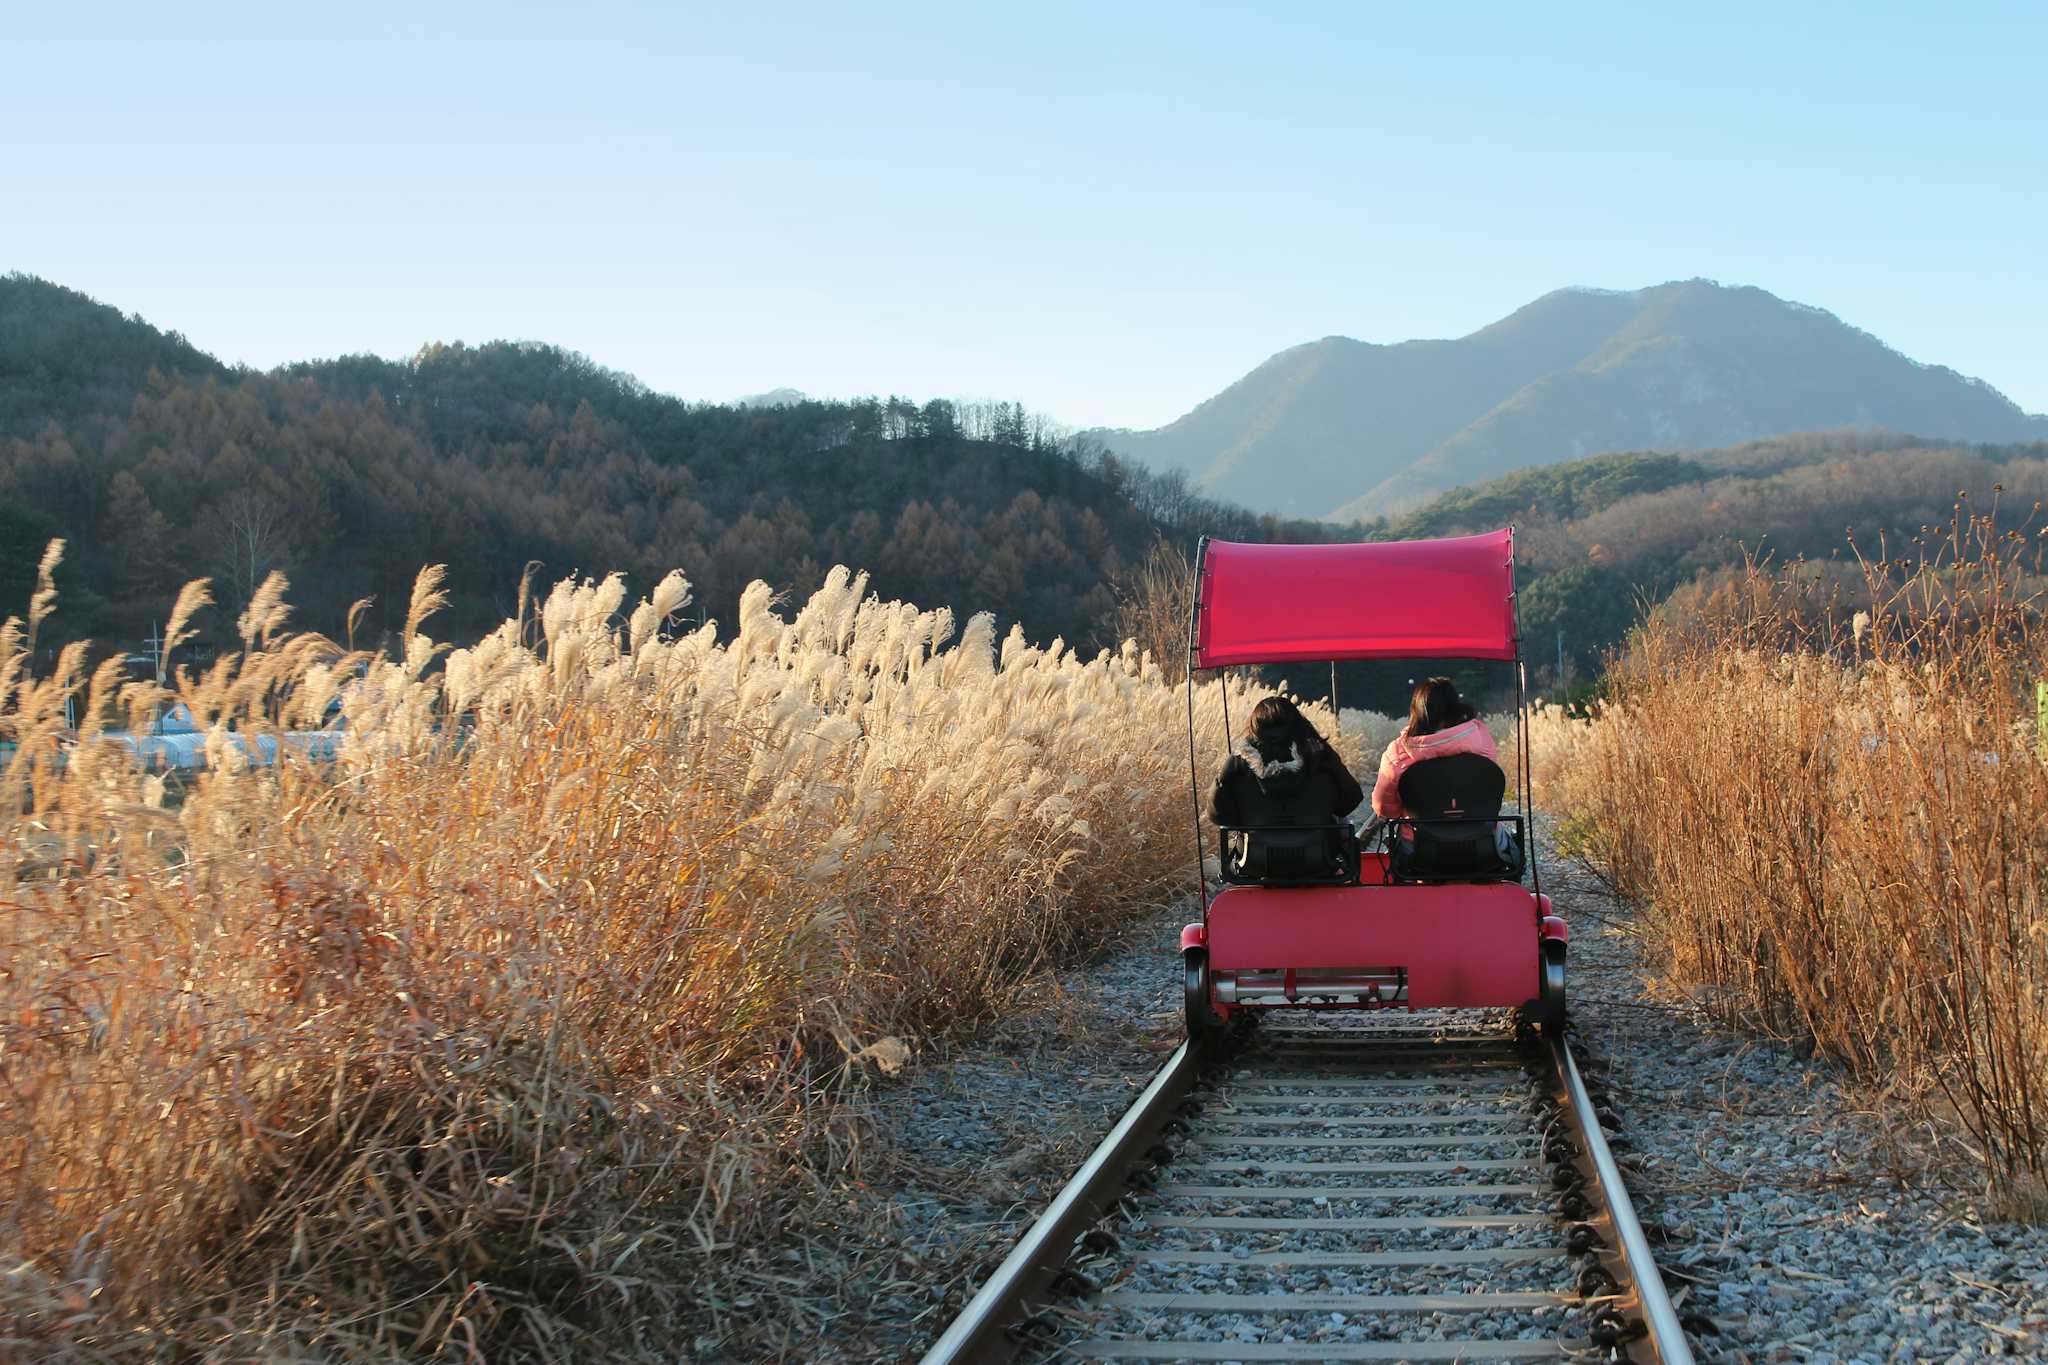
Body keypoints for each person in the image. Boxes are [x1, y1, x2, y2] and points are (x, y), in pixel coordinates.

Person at [1210, 696, 1364, 831]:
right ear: (1299, 723)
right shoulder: (1320, 754)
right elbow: (1349, 802)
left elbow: (1219, 816)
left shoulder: (1241, 760)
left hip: (1255, 857)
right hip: (1318, 856)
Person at [1370, 677, 1500, 821]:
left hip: (1419, 839)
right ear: (1455, 706)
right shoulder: (1481, 739)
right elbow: (1491, 791)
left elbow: (1383, 808)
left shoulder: (1398, 752)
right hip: (1480, 836)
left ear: (1417, 711)